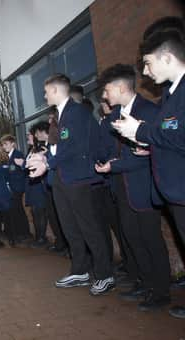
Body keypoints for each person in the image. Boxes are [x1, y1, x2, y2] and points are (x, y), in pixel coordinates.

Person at [110, 17, 185, 317]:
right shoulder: (170, 95)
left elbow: (179, 135)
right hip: (175, 192)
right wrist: (148, 146)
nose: (145, 71)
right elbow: (169, 138)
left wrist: (141, 132)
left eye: (148, 63)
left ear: (167, 57)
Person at [27, 73, 114, 296]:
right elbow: (61, 147)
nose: (44, 96)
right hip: (62, 179)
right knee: (70, 227)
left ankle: (105, 275)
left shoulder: (77, 113)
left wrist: (48, 163)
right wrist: (46, 159)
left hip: (77, 179)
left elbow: (75, 148)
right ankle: (80, 269)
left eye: (46, 92)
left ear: (56, 90)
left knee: (89, 227)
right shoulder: (60, 115)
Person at [96, 63, 171, 312]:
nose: (105, 96)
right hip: (124, 188)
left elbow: (153, 151)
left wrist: (114, 166)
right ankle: (145, 283)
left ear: (119, 87)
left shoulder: (148, 110)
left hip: (144, 188)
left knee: (151, 240)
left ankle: (161, 292)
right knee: (133, 238)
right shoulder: (116, 115)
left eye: (107, 90)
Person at [31, 121, 66, 254]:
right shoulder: (44, 147)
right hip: (48, 187)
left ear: (45, 131)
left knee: (59, 216)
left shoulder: (53, 145)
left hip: (58, 185)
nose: (36, 135)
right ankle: (60, 242)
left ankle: (63, 244)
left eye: (37, 132)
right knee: (53, 216)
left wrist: (46, 157)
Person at [0, 135, 31, 243]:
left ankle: (25, 233)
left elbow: (19, 172)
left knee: (18, 210)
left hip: (17, 187)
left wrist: (8, 171)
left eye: (6, 144)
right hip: (11, 187)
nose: (4, 146)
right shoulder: (8, 156)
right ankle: (20, 232)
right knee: (16, 210)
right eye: (3, 145)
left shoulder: (17, 154)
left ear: (13, 143)